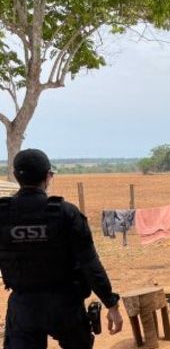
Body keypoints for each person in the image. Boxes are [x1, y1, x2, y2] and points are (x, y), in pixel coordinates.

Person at [0, 149, 123, 349]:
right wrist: (112, 304)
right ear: (48, 176)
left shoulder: (3, 215)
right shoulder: (66, 213)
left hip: (24, 308)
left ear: (15, 176)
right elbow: (90, 265)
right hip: (65, 306)